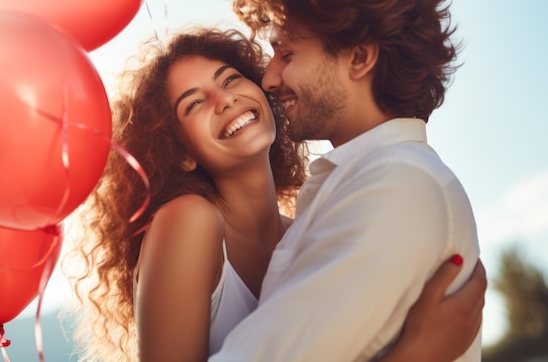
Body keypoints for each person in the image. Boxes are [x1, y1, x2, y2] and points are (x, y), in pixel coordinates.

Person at [68, 27, 485, 362]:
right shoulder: (188, 220)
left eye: (230, 79)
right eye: (194, 104)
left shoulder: (308, 229)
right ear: (179, 155)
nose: (225, 99)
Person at [206, 0, 482, 361]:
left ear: (359, 57)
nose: (269, 78)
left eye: (288, 53)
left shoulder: (398, 186)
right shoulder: (365, 181)